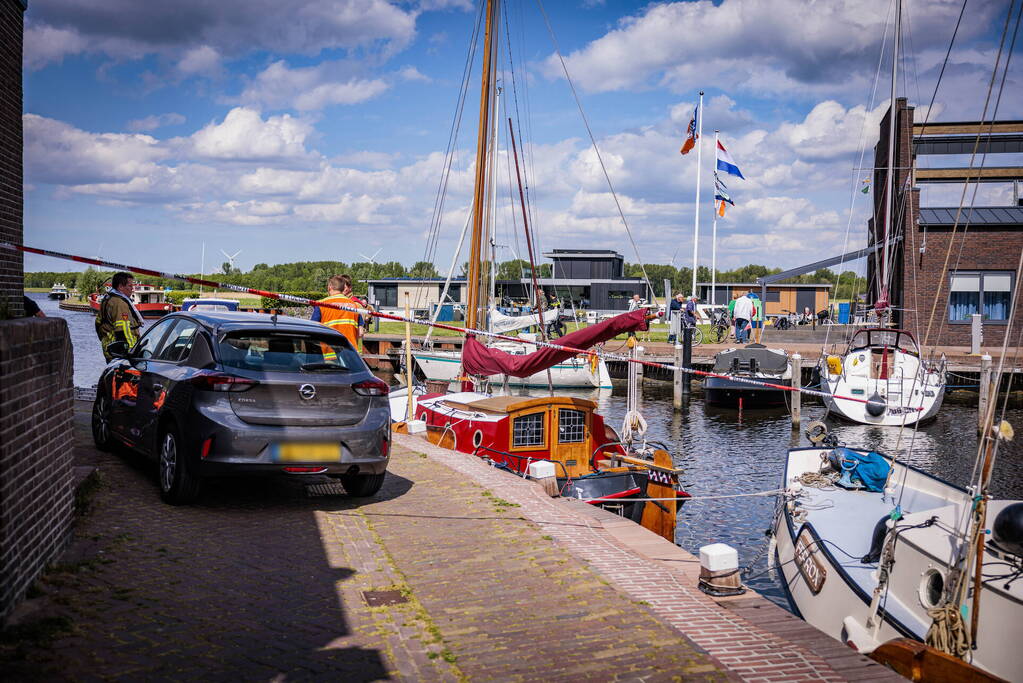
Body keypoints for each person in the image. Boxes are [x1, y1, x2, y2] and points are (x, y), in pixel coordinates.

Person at [95, 272, 144, 361]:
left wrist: (105, 339)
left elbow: (98, 323)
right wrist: (132, 351)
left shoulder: (107, 299)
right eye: (130, 286)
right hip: (121, 352)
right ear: (120, 286)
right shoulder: (120, 303)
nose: (132, 288)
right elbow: (123, 330)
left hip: (110, 348)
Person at [312, 274, 369, 352]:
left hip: (329, 352)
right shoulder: (354, 306)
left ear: (330, 287)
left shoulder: (321, 304)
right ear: (343, 288)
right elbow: (360, 333)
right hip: (350, 351)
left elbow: (313, 330)